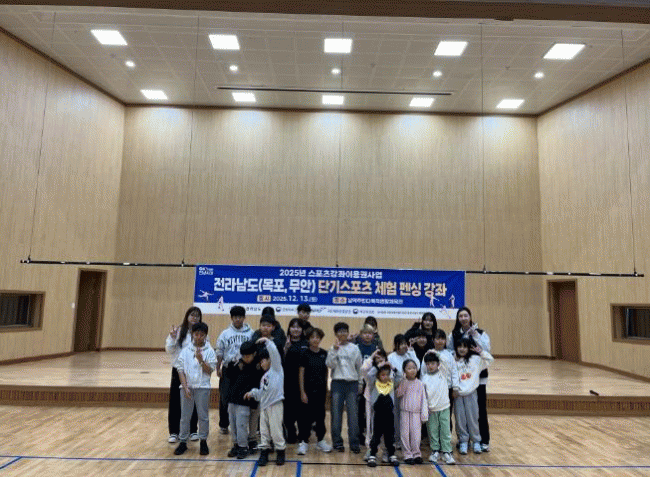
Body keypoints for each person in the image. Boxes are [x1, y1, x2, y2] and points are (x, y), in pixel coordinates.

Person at [447, 307, 492, 451]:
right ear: (458, 318)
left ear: (470, 317)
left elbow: (487, 351)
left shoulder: (480, 333)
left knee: (479, 411)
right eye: (460, 316)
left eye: (466, 315)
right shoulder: (453, 334)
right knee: (460, 414)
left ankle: (482, 440)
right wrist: (454, 356)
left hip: (478, 377)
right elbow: (449, 351)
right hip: (460, 381)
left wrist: (475, 336)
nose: (463, 318)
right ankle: (463, 440)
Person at [173, 322, 216, 456]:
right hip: (187, 388)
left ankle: (203, 441)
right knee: (185, 417)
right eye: (196, 334)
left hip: (203, 387)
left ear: (205, 336)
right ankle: (183, 442)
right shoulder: (186, 351)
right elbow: (180, 370)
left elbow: (210, 371)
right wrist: (185, 387)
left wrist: (201, 360)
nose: (198, 337)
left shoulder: (210, 351)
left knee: (203, 416)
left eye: (201, 335)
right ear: (192, 334)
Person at [165, 306, 204, 444]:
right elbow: (169, 350)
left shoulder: (201, 333)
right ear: (187, 316)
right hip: (178, 371)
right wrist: (172, 337)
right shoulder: (178, 331)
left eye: (197, 315)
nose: (194, 318)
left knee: (193, 401)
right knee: (175, 401)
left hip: (193, 371)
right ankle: (174, 432)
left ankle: (193, 430)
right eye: (192, 315)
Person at [245, 338, 286, 466]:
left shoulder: (277, 369)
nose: (261, 364)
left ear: (270, 360)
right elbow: (261, 394)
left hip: (275, 405)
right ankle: (264, 453)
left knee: (276, 431)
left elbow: (274, 353)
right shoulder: (264, 377)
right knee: (264, 432)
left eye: (262, 361)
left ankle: (280, 451)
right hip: (264, 407)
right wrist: (252, 393)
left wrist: (267, 342)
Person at [215, 306, 254, 435]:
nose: (238, 319)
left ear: (244, 318)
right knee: (225, 396)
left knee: (245, 396)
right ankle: (224, 424)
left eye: (240, 317)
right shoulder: (225, 334)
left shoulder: (250, 333)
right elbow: (220, 351)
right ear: (231, 318)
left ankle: (246, 425)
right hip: (229, 369)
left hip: (245, 370)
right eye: (235, 317)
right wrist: (218, 367)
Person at [453, 337, 494, 455]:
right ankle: (463, 441)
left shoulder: (476, 360)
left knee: (473, 418)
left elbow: (490, 360)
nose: (462, 349)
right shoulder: (453, 360)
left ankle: (476, 441)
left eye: (464, 346)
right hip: (458, 395)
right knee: (460, 419)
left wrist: (481, 352)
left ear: (469, 348)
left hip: (471, 393)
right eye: (459, 346)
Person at [326, 321, 362, 453]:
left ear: (348, 333)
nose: (343, 333)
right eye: (340, 331)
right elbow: (330, 365)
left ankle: (354, 443)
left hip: (352, 383)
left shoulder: (355, 348)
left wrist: (360, 383)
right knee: (336, 415)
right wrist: (335, 350)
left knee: (353, 415)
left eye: (345, 331)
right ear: (336, 334)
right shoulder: (332, 348)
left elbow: (359, 367)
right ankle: (337, 443)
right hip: (337, 383)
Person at [225, 340, 263, 459]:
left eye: (248, 356)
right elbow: (228, 375)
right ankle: (236, 444)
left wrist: (254, 403)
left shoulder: (258, 367)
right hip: (233, 399)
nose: (245, 358)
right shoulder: (237, 364)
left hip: (246, 402)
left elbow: (257, 385)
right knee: (233, 424)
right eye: (244, 356)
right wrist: (232, 364)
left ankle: (244, 446)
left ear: (254, 354)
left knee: (242, 424)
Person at [297, 327, 332, 455]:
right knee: (305, 417)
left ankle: (320, 440)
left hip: (321, 391)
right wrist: (302, 392)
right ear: (308, 339)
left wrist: (327, 390)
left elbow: (326, 372)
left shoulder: (324, 353)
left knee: (320, 416)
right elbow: (301, 373)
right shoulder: (304, 354)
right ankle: (304, 441)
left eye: (317, 337)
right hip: (308, 391)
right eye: (312, 337)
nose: (315, 339)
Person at [421, 352, 456, 465]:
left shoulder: (443, 373)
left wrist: (436, 354)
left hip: (444, 408)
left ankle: (447, 452)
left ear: (438, 364)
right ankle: (435, 450)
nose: (430, 366)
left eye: (433, 363)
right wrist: (426, 408)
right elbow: (424, 396)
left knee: (445, 430)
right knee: (433, 431)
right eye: (428, 364)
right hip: (431, 410)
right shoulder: (424, 378)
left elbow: (445, 361)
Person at [366, 362, 400, 467]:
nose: (385, 377)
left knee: (389, 435)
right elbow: (369, 375)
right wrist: (378, 366)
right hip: (378, 415)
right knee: (376, 435)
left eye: (387, 374)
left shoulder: (392, 383)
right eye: (382, 375)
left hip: (389, 415)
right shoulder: (374, 384)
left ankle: (391, 454)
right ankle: (372, 454)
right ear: (378, 375)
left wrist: (393, 367)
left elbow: (400, 376)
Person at [388, 334, 420, 446]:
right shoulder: (391, 357)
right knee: (397, 414)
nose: (403, 346)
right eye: (400, 344)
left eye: (405, 343)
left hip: (410, 388)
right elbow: (390, 374)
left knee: (408, 414)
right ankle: (397, 439)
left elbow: (417, 366)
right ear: (396, 345)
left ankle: (409, 440)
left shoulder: (409, 354)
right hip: (397, 388)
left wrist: (412, 352)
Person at [396, 360, 428, 465]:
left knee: (416, 435)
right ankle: (407, 454)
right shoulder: (403, 382)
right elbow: (398, 394)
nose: (412, 370)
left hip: (416, 413)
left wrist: (424, 414)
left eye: (414, 368)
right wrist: (403, 381)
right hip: (405, 412)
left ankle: (416, 453)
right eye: (409, 368)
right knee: (405, 434)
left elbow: (424, 400)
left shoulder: (420, 384)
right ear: (404, 370)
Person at [284, 317, 309, 444]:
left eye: (298, 327)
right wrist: (285, 349)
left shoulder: (307, 343)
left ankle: (303, 435)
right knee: (288, 411)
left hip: (304, 382)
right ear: (289, 329)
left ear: (302, 329)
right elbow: (279, 362)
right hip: (287, 382)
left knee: (303, 411)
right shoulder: (284, 342)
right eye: (293, 327)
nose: (296, 329)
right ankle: (291, 433)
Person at [360, 348, 388, 461]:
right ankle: (370, 449)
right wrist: (371, 357)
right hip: (370, 399)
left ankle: (386, 450)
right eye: (377, 358)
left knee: (385, 425)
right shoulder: (370, 369)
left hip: (384, 401)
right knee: (370, 424)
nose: (379, 360)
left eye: (381, 358)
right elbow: (363, 369)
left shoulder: (388, 369)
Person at [355, 324, 378, 444]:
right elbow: (356, 366)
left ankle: (371, 434)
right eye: (365, 333)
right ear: (360, 334)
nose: (367, 335)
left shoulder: (375, 348)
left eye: (370, 333)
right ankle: (359, 434)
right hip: (360, 382)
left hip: (371, 382)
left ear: (373, 335)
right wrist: (359, 381)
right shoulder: (357, 347)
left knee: (372, 411)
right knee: (359, 410)